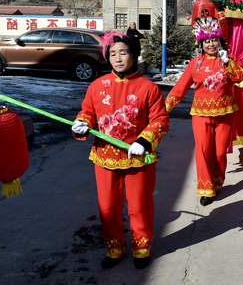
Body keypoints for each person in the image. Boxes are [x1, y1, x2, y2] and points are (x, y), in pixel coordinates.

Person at [71, 32, 169, 270]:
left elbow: (160, 120)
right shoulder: (96, 86)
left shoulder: (148, 88)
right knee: (108, 207)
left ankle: (141, 247)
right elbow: (88, 113)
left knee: (139, 206)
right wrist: (81, 124)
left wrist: (144, 141)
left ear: (134, 55)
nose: (117, 58)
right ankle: (114, 248)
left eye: (123, 52)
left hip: (138, 158)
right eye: (112, 53)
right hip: (104, 157)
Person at [165, 17, 243, 206]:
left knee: (219, 152)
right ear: (201, 42)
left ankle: (218, 181)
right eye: (207, 40)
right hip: (201, 115)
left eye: (214, 39)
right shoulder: (196, 63)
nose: (211, 44)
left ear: (220, 40)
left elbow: (240, 77)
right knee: (203, 151)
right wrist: (163, 109)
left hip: (225, 113)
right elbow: (179, 89)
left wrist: (228, 63)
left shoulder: (228, 60)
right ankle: (206, 188)